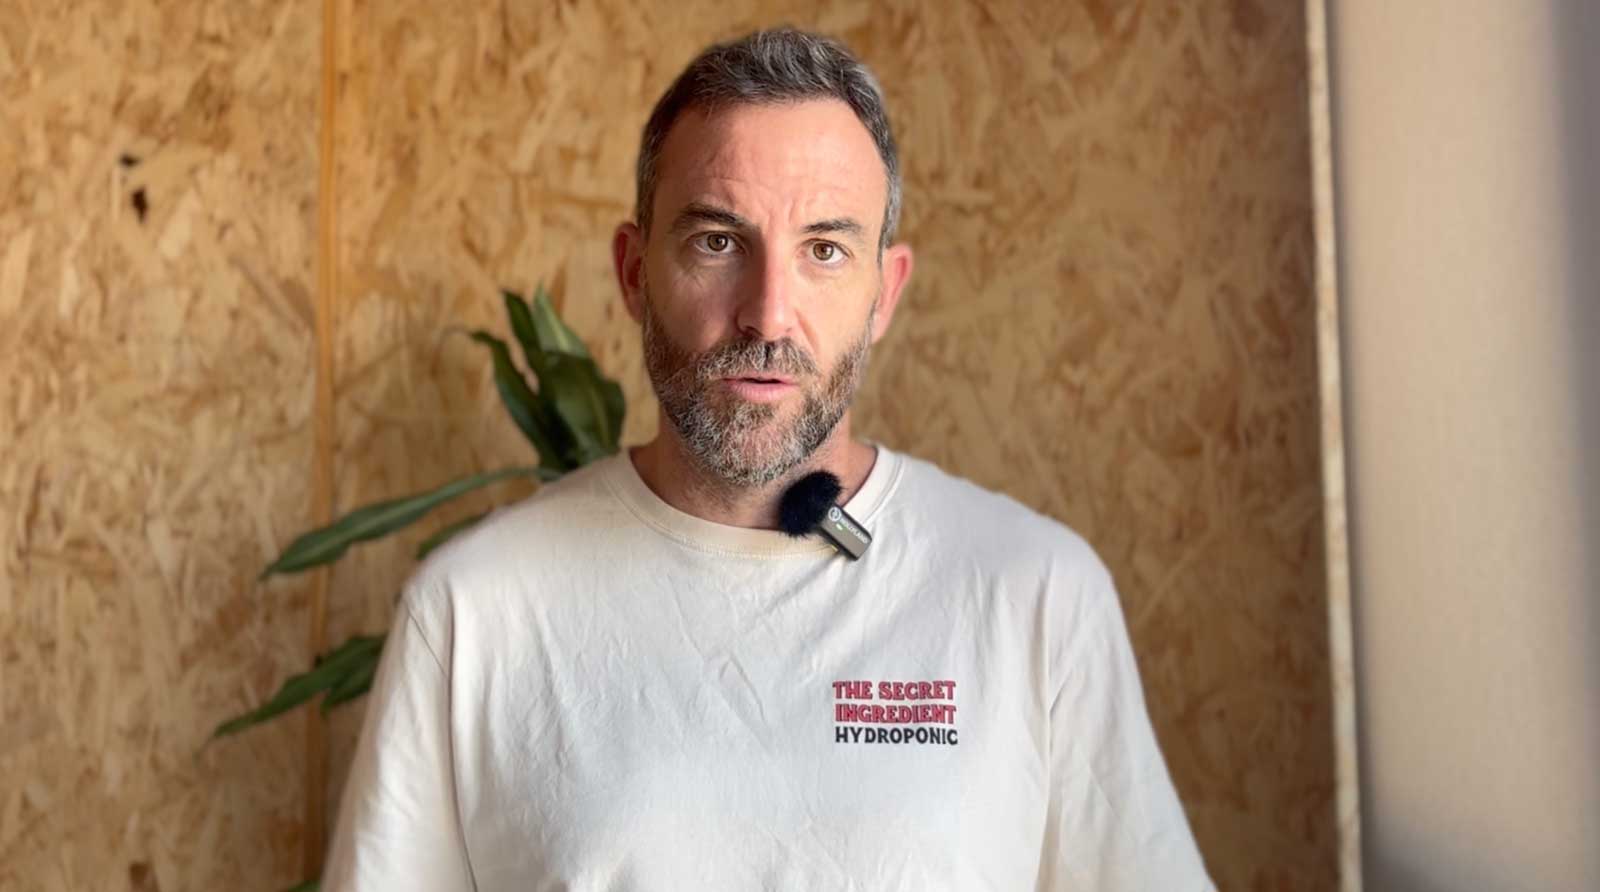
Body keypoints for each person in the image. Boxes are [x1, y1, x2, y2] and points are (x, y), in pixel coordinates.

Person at [323, 26, 1214, 891]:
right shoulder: (474, 611)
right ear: (634, 274)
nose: (766, 314)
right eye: (717, 242)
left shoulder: (1036, 595)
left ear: (883, 293)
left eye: (824, 250)